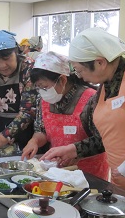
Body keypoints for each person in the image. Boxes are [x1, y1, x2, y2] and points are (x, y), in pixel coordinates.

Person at [40, 27, 125, 206]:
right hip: (123, 188)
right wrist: (73, 149)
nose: (80, 77)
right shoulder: (104, 85)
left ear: (100, 62)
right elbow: (106, 137)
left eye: (79, 70)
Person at [21, 51, 109, 180]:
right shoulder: (44, 99)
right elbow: (42, 130)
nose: (42, 92)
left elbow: (103, 140)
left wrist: (75, 153)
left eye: (44, 87)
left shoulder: (91, 99)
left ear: (62, 79)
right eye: (38, 88)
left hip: (89, 174)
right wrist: (34, 141)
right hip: (56, 173)